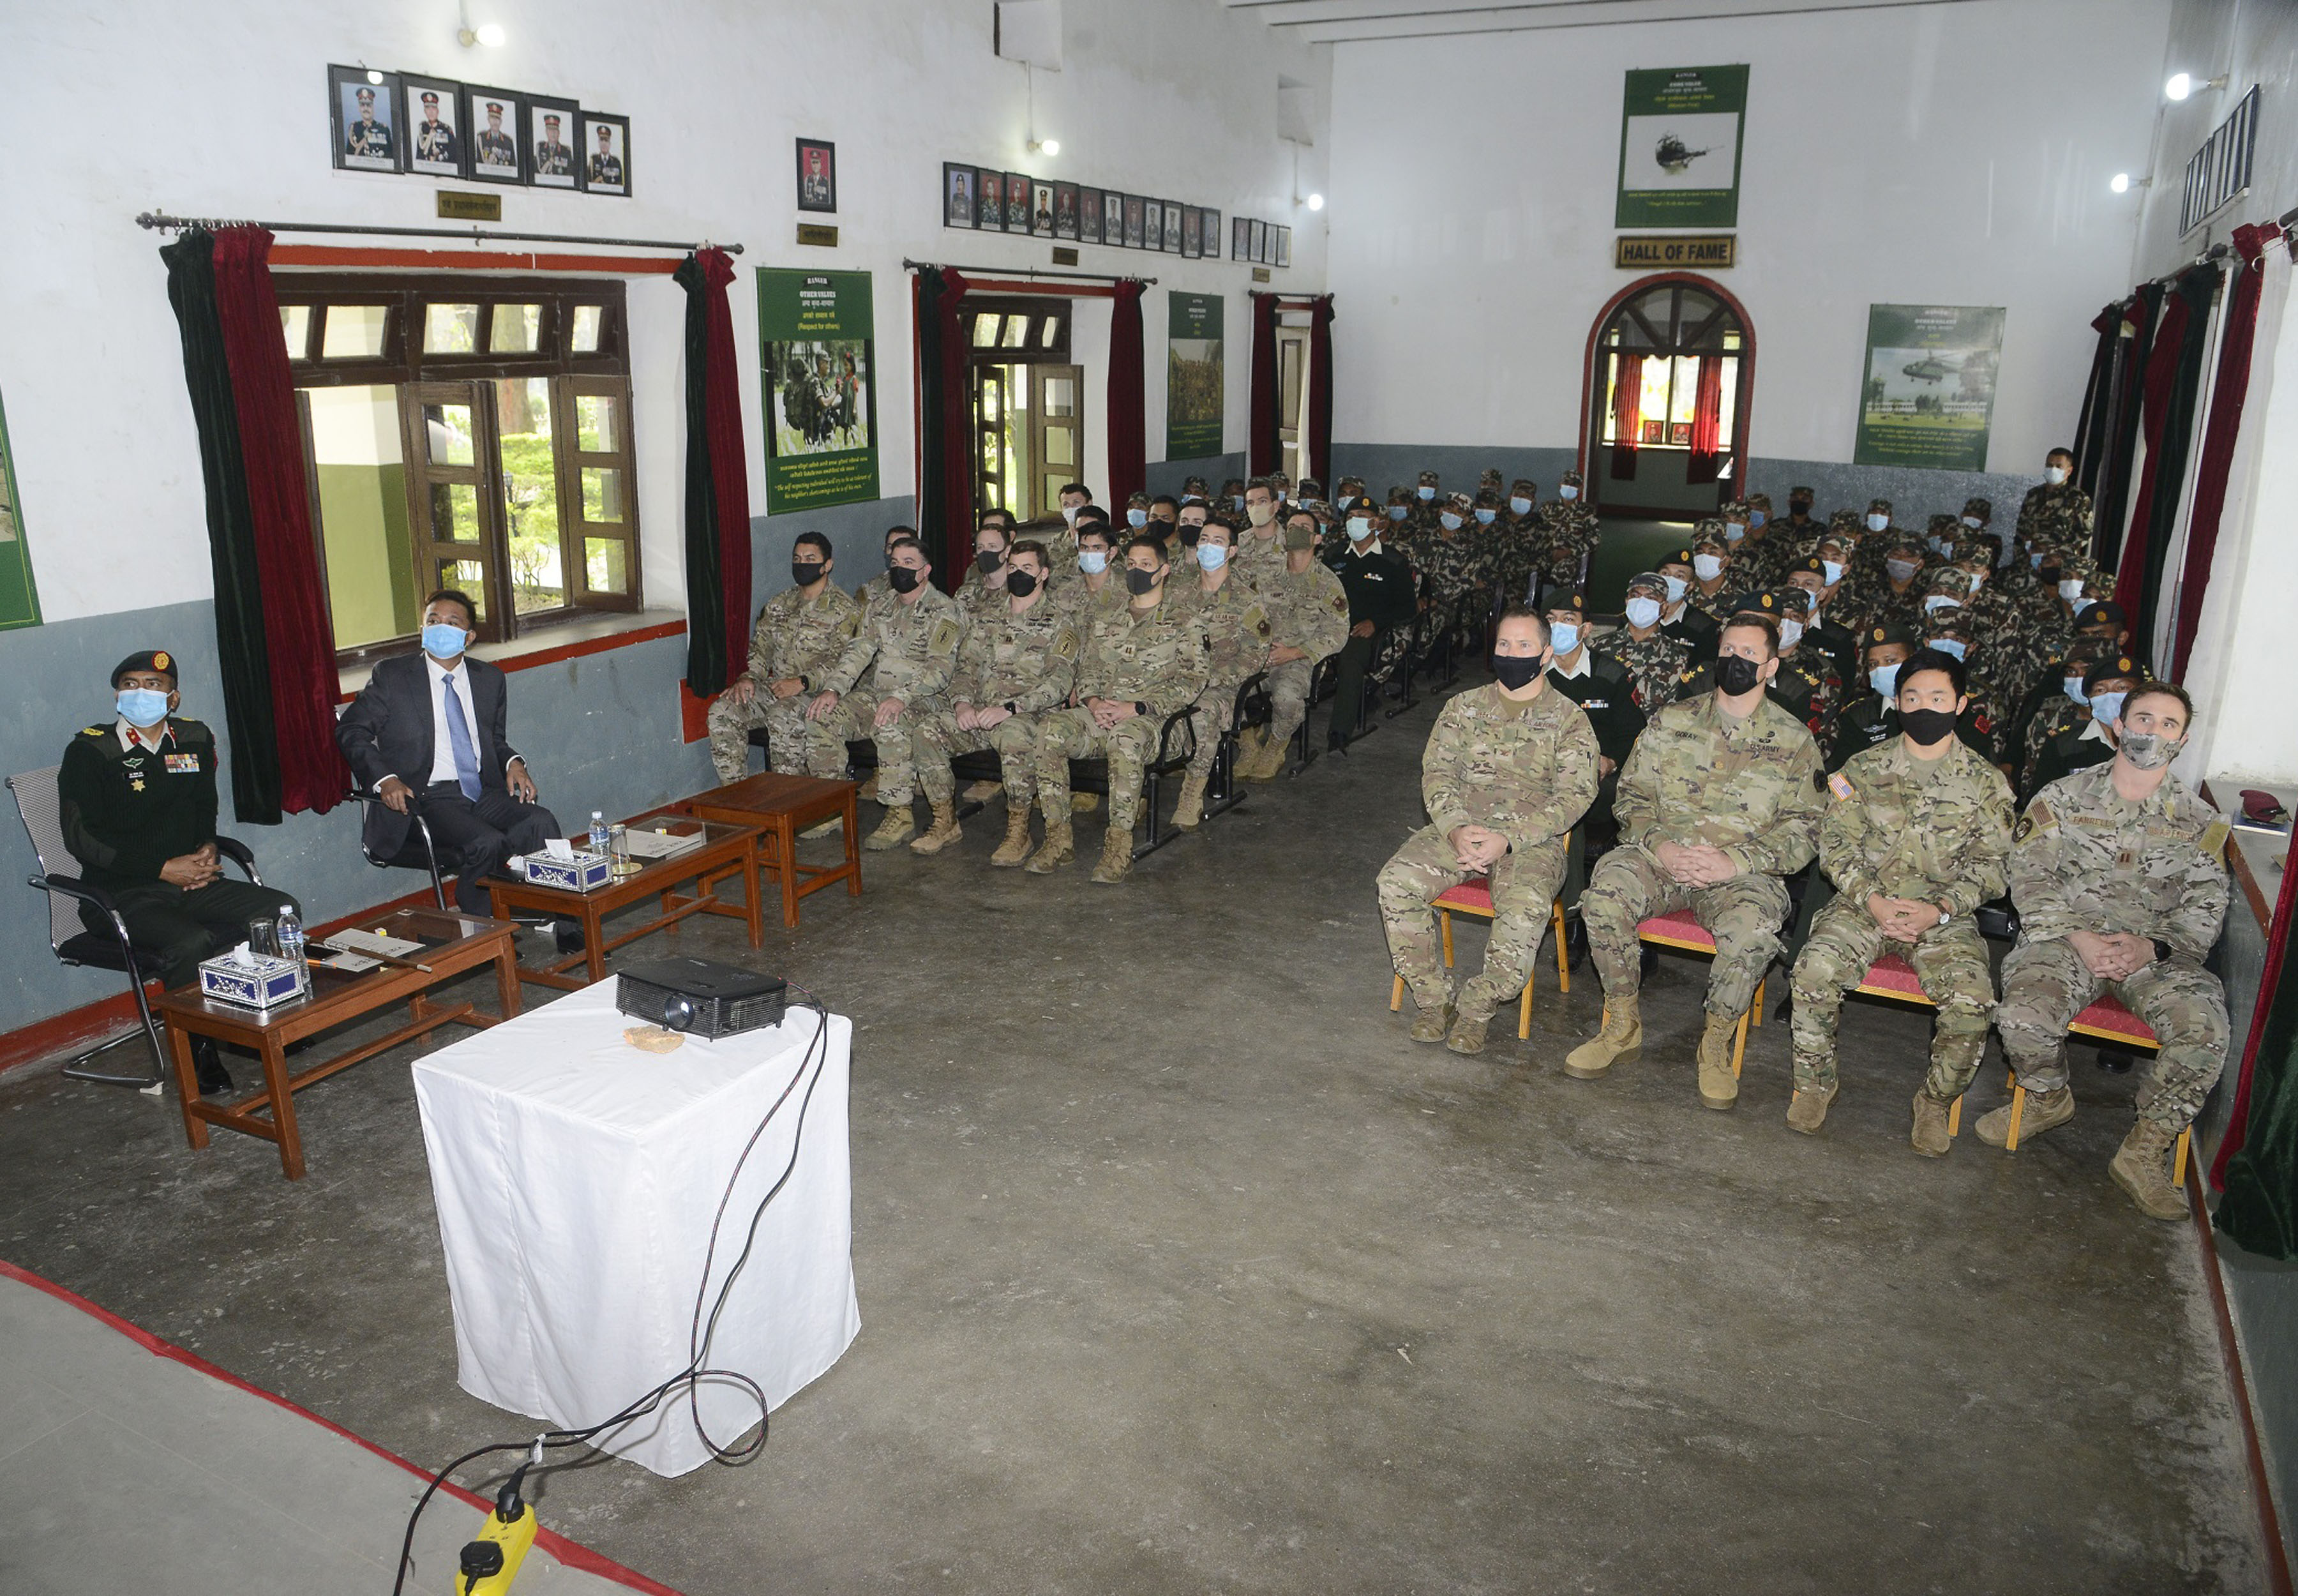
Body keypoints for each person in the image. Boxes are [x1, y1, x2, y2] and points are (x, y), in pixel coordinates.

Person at [1985, 683, 2230, 1219]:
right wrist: (2078, 936)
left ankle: (2145, 1151)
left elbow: (2207, 903)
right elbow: (2028, 874)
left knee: (2205, 1030)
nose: (2153, 732)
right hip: (2067, 940)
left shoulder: (2201, 822)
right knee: (2024, 1013)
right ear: (2119, 727)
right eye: (2143, 719)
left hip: (2156, 957)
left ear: (2183, 740)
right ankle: (2048, 1099)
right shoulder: (2062, 797)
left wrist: (2152, 946)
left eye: (2168, 725)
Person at [1565, 615, 1826, 1108]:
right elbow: (1632, 796)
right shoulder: (1671, 720)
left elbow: (1806, 829)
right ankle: (1622, 1024)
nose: (1736, 662)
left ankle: (1716, 1043)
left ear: (1771, 665)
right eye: (1729, 650)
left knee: (1752, 932)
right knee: (1602, 898)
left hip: (1741, 874)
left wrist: (1734, 861)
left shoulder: (1795, 741)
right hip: (1662, 858)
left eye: (1749, 655)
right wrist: (1661, 845)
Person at [1787, 649, 2014, 1145]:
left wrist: (1941, 908)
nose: (1924, 707)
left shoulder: (1985, 784)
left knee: (1973, 1003)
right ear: (1897, 702)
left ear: (1960, 704)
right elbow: (1835, 844)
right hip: (1864, 905)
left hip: (1944, 915)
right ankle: (1815, 1084)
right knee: (1812, 972)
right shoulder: (1861, 770)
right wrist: (1872, 901)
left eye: (1938, 697)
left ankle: (1934, 1103)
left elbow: (1994, 867)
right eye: (1912, 697)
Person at [59, 651, 303, 1094]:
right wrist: (161, 868)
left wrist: (207, 848)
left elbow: (202, 807)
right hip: (121, 895)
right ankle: (201, 1051)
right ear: (117, 695)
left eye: (153, 685)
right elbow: (81, 839)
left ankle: (266, 1020)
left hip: (192, 882)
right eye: (130, 684)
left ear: (173, 698)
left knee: (279, 909)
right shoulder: (90, 751)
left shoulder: (193, 738)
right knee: (190, 941)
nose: (140, 693)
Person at [1378, 606, 1600, 1055]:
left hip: (1530, 841)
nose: (1511, 654)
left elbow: (1575, 796)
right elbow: (1437, 774)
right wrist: (1458, 829)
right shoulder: (1463, 708)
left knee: (1525, 907)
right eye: (1503, 645)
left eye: (1523, 646)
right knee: (1395, 883)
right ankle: (1434, 999)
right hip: (1459, 828)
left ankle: (1478, 1008)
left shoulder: (1569, 719)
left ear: (1544, 654)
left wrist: (1510, 838)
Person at [336, 591, 561, 917]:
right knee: (487, 843)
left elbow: (493, 740)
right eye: (433, 621)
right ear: (423, 629)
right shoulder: (393, 677)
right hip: (427, 796)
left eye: (452, 622)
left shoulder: (489, 680)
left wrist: (514, 763)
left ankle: (567, 924)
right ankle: (488, 933)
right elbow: (351, 731)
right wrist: (386, 780)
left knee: (540, 821)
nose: (440, 627)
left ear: (468, 637)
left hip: (481, 791)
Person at [1027, 535, 1208, 884]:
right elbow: (1089, 668)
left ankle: (1118, 848)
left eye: (1146, 565)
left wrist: (1138, 706)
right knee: (1051, 729)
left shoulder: (1186, 621)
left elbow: (1193, 680)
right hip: (1101, 713)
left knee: (1126, 739)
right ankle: (1058, 838)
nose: (1136, 571)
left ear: (1164, 571)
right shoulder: (1107, 617)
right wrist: (1093, 701)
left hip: (1156, 721)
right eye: (1132, 564)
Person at [918, 540, 1081, 864]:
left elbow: (1060, 682)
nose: (1017, 573)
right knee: (927, 730)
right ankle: (945, 822)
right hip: (981, 714)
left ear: (1044, 574)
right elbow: (964, 668)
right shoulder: (986, 618)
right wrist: (963, 705)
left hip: (1028, 715)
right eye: (1013, 567)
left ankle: (1018, 832)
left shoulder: (1060, 622)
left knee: (1014, 736)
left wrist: (1011, 709)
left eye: (1027, 568)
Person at [805, 536, 964, 852]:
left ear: (926, 570)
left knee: (891, 721)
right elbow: (857, 652)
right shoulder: (879, 607)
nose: (900, 569)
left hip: (924, 697)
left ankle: (900, 812)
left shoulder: (944, 610)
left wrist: (903, 696)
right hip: (878, 693)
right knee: (822, 716)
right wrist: (833, 689)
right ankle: (832, 807)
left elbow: (940, 669)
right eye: (895, 563)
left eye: (909, 564)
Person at [705, 534, 861, 783]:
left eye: (810, 559)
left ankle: (788, 801)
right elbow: (761, 648)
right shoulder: (779, 604)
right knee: (723, 710)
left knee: (782, 714)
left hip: (816, 693)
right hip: (776, 687)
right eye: (797, 559)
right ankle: (737, 797)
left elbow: (842, 661)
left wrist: (802, 682)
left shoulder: (845, 609)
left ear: (827, 565)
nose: (802, 564)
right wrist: (748, 678)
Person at [1168, 518, 1271, 828]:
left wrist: (1209, 678)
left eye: (1217, 542)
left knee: (1202, 714)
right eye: (1204, 540)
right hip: (1177, 680)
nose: (1208, 547)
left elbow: (1256, 655)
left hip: (1223, 686)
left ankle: (1191, 794)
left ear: (1232, 551)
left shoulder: (1246, 601)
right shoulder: (1177, 595)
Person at [1239, 508, 1351, 781]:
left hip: (1299, 661)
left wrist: (1293, 653)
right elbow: (1245, 615)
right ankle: (1247, 745)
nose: (1296, 531)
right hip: (1260, 656)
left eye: (1304, 527)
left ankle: (1276, 746)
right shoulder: (1266, 575)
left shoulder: (1327, 583)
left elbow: (1338, 632)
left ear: (1317, 539)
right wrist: (1255, 648)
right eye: (1290, 527)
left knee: (1286, 700)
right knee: (1221, 685)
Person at [1328, 499, 1417, 751]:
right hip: (1329, 626)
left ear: (1376, 522)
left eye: (1363, 515)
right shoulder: (1333, 555)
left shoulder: (1392, 562)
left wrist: (1376, 622)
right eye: (1351, 515)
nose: (1355, 520)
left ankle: (1339, 732)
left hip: (1363, 631)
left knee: (1350, 660)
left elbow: (1408, 608)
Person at [1600, 569, 1691, 712]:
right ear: (1627, 601)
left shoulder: (1677, 656)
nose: (1641, 602)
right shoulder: (1600, 647)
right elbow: (1588, 699)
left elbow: (1675, 713)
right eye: (1635, 596)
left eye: (1651, 598)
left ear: (1664, 607)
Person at [2015, 446, 2093, 556]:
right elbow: (2021, 530)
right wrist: (2019, 556)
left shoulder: (2078, 498)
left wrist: (2056, 550)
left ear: (2069, 471)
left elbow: (2085, 534)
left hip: (2059, 562)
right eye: (2049, 465)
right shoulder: (2033, 494)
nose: (2053, 469)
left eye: (2059, 466)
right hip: (2029, 558)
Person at [345, 85, 393, 161]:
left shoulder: (383, 129)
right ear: (359, 108)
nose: (366, 109)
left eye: (369, 105)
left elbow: (390, 158)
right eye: (362, 105)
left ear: (373, 106)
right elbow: (349, 157)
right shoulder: (354, 128)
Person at [414, 91, 458, 167]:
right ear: (425, 111)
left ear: (438, 111)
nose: (431, 111)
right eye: (428, 108)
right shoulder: (423, 128)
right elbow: (420, 154)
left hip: (443, 167)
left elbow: (454, 153)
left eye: (433, 108)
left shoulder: (446, 129)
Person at [475, 101, 516, 170]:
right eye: (492, 118)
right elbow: (478, 164)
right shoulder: (481, 138)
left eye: (497, 118)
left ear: (501, 121)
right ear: (488, 119)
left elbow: (513, 167)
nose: (495, 121)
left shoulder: (508, 141)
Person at [534, 113, 573, 177]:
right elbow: (539, 170)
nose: (553, 133)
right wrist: (549, 162)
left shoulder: (566, 151)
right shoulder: (541, 147)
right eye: (550, 130)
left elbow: (570, 173)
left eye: (555, 130)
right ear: (546, 132)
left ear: (559, 133)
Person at [587, 123, 622, 187]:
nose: (604, 143)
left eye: (606, 140)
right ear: (599, 142)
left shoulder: (616, 162)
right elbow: (589, 183)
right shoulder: (593, 161)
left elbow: (620, 184)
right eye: (601, 140)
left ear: (610, 143)